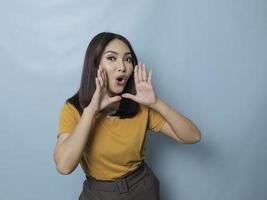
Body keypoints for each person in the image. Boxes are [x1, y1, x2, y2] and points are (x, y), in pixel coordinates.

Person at [53, 32, 201, 200]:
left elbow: (193, 136)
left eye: (128, 59)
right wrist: (91, 111)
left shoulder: (140, 106)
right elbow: (64, 167)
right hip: (99, 193)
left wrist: (156, 103)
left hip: (142, 188)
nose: (122, 67)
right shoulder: (73, 109)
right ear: (95, 65)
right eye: (111, 58)